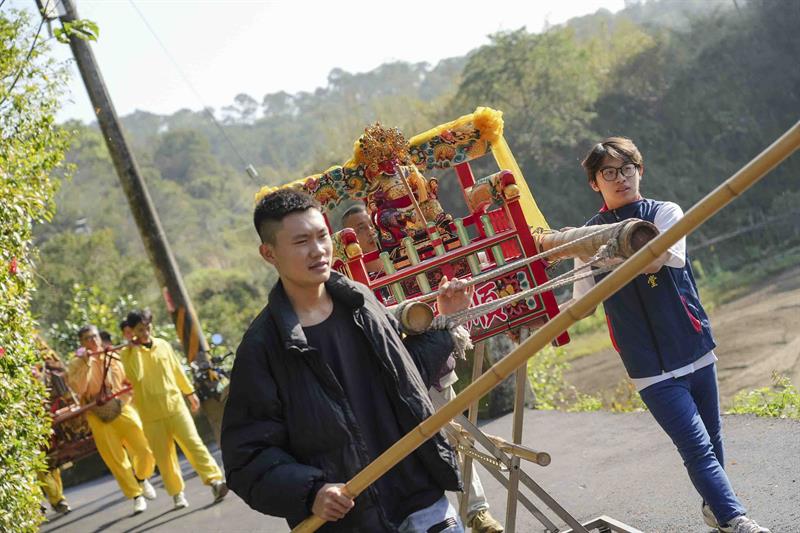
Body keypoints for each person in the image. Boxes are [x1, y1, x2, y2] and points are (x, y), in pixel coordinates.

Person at [222, 189, 474, 532]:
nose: (318, 250)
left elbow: (405, 381)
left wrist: (445, 325)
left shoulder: (362, 304)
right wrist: (311, 490)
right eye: (300, 242)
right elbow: (246, 458)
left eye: (322, 236)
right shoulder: (263, 349)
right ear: (269, 254)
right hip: (353, 522)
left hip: (422, 500)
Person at [571, 137, 769, 533]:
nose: (620, 178)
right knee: (695, 447)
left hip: (692, 343)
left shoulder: (664, 212)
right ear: (595, 183)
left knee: (712, 441)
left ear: (639, 171)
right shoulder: (585, 238)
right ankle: (735, 519)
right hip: (647, 364)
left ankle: (716, 508)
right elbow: (584, 302)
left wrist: (614, 254)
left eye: (627, 168)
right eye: (608, 172)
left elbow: (659, 260)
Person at [342, 203, 504, 533]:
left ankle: (477, 512)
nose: (367, 232)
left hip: (431, 361)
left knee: (457, 435)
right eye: (357, 229)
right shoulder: (351, 287)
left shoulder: (408, 255)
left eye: (367, 225)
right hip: (392, 378)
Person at [120, 311, 228, 509]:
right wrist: (134, 349)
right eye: (140, 330)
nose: (145, 333)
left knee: (194, 444)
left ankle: (215, 481)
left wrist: (189, 393)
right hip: (151, 416)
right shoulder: (126, 354)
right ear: (132, 332)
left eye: (147, 328)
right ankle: (177, 493)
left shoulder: (163, 345)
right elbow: (136, 376)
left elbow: (177, 371)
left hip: (176, 406)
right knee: (165, 457)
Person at [67, 325, 157, 515]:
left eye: (94, 336)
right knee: (115, 458)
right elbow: (79, 389)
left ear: (100, 337)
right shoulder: (76, 364)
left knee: (144, 448)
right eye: (86, 338)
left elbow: (129, 378)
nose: (92, 341)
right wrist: (87, 364)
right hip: (96, 414)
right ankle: (136, 496)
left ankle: (142, 478)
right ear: (82, 343)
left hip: (121, 407)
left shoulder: (113, 354)